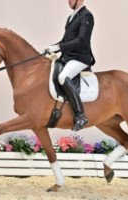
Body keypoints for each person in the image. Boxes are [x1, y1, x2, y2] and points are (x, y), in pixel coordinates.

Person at [45, 0, 95, 131]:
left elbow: (82, 41)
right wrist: (52, 47)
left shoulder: (87, 16)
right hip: (68, 57)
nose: (68, 1)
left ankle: (81, 116)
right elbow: (65, 41)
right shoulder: (71, 17)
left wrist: (59, 47)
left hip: (80, 58)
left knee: (63, 77)